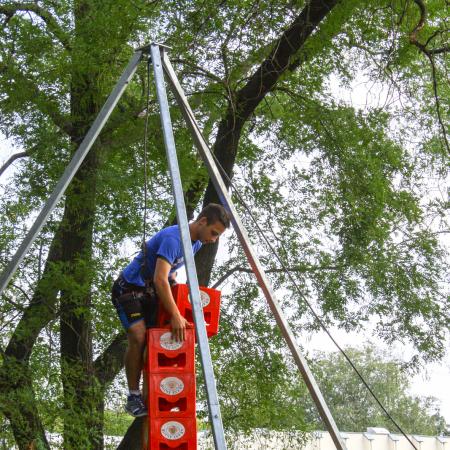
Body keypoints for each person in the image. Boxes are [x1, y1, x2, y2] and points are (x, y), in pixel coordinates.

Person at [111, 203, 230, 417]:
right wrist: (175, 314)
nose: (214, 239)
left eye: (217, 236)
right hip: (128, 288)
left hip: (148, 292)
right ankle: (133, 396)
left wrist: (179, 299)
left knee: (158, 339)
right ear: (202, 221)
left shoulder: (196, 244)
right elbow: (159, 278)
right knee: (138, 337)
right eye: (213, 233)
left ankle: (155, 391)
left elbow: (169, 273)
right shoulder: (174, 238)